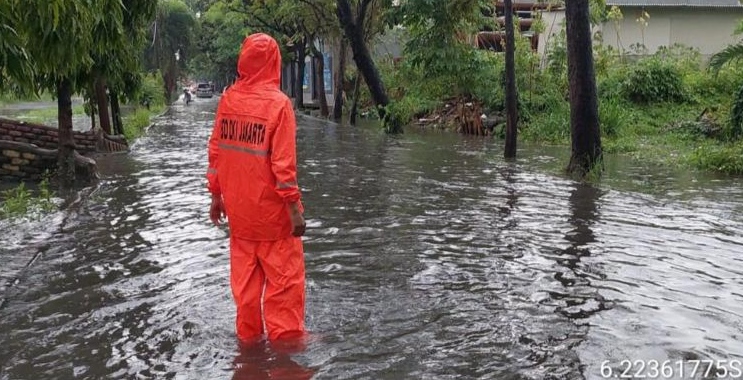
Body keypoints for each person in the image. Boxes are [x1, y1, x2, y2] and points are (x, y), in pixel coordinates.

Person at [206, 33, 307, 344]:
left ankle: (247, 360)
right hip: (275, 221)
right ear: (274, 63)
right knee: (285, 295)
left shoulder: (228, 101)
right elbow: (284, 168)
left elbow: (215, 153)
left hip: (240, 218)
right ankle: (286, 362)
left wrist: (216, 197)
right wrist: (295, 211)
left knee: (246, 297)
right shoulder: (279, 106)